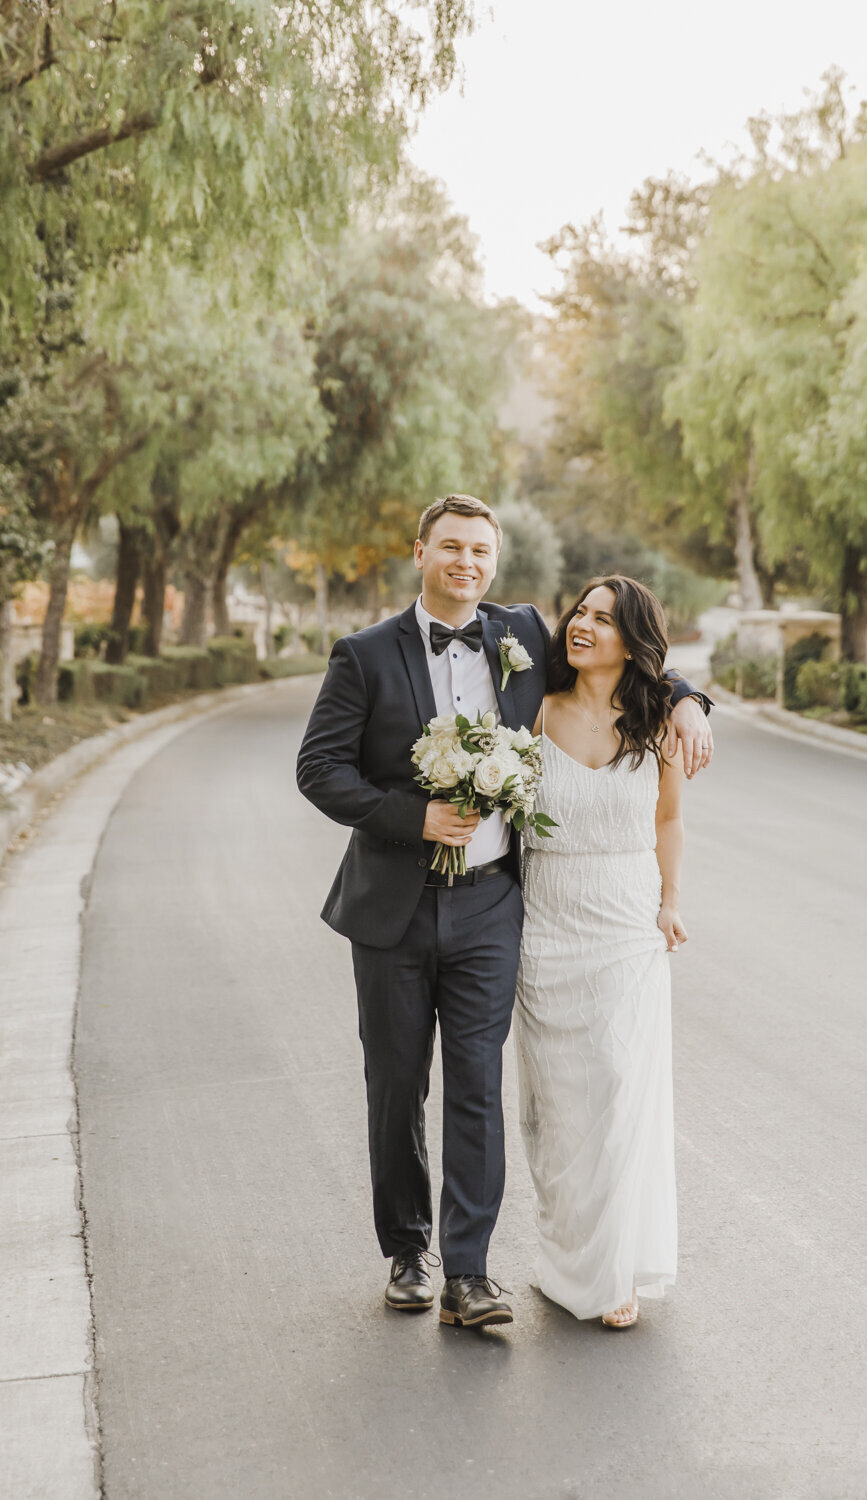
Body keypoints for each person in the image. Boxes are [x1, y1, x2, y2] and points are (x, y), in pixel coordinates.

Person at [296, 495, 712, 1330]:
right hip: (393, 910)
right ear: (420, 552)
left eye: (480, 551)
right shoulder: (364, 655)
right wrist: (411, 817)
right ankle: (407, 1252)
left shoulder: (518, 635)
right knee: (396, 1084)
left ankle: (469, 1273)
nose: (466, 563)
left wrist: (691, 699)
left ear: (495, 563)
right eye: (450, 547)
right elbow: (319, 769)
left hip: (493, 907)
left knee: (478, 1089)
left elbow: (627, 657)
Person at [516, 575, 685, 1329]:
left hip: (624, 923)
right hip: (546, 924)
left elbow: (670, 821)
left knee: (619, 1090)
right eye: (580, 611)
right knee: (558, 1109)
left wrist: (670, 902)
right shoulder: (531, 710)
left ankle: (614, 1268)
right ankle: (564, 1262)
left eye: (605, 619)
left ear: (633, 640)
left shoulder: (661, 723)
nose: (583, 624)